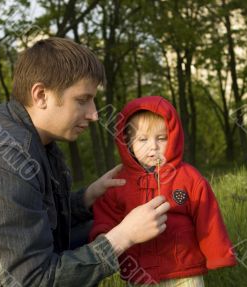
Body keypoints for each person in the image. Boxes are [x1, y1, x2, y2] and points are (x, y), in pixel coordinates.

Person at [0, 38, 170, 287]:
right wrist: (122, 237)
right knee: (114, 230)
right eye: (82, 100)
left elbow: (31, 216)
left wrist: (87, 198)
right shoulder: (5, 155)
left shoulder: (32, 137)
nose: (94, 114)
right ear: (41, 95)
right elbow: (31, 280)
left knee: (101, 223)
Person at [89, 96, 237, 286]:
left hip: (184, 269)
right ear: (128, 143)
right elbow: (106, 215)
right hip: (140, 271)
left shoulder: (188, 177)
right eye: (142, 139)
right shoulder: (120, 181)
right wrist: (101, 239)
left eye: (162, 138)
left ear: (173, 138)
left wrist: (219, 254)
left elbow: (208, 217)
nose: (153, 146)